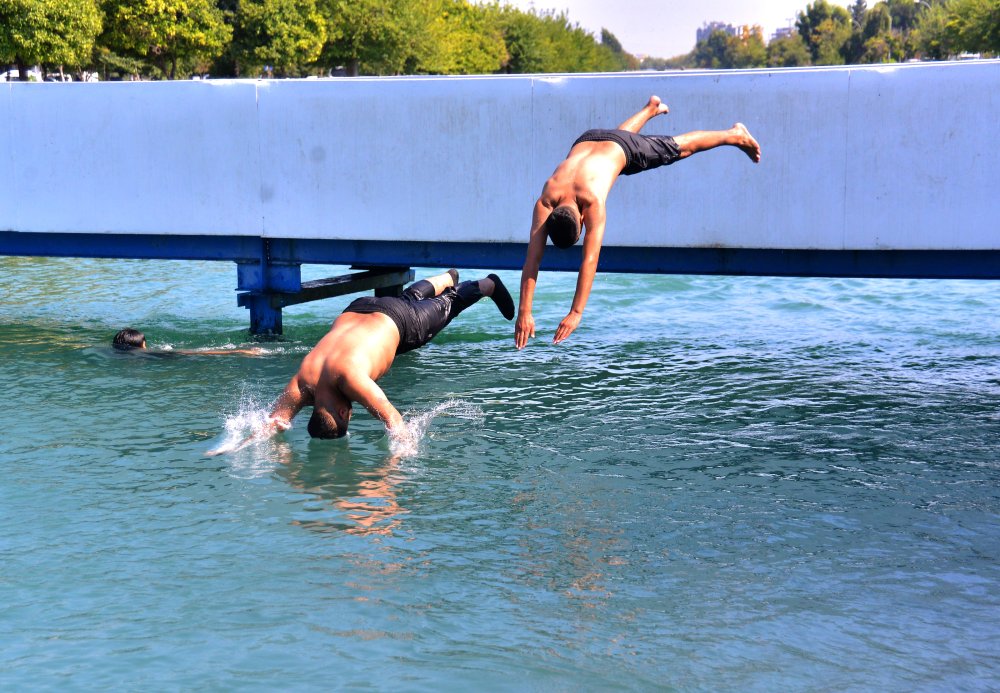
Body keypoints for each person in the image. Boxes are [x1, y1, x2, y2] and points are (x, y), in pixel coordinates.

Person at [515, 95, 762, 349]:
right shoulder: (548, 196)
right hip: (589, 139)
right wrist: (525, 311)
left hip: (621, 148)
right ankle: (650, 109)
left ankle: (734, 134)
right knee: (618, 147)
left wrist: (576, 313)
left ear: (582, 218)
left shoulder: (590, 203)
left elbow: (588, 260)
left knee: (681, 148)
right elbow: (532, 259)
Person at [230, 270, 514, 447]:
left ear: (344, 414)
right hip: (359, 308)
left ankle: (488, 284)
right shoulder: (303, 382)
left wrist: (396, 460)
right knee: (406, 297)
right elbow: (274, 422)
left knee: (449, 304)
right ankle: (445, 278)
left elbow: (393, 419)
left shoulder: (350, 379)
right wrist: (238, 443)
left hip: (402, 323)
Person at [112, 327, 263, 356]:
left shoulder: (115, 351)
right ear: (143, 344)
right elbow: (190, 352)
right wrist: (237, 351)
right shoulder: (152, 353)